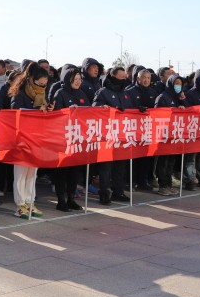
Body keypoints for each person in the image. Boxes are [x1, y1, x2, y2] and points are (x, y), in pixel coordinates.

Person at [8, 63, 49, 218]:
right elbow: (16, 113)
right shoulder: (19, 93)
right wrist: (36, 111)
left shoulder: (42, 94)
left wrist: (49, 109)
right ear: (32, 80)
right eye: (40, 83)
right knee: (20, 172)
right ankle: (20, 204)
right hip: (21, 137)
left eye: (44, 84)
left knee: (32, 172)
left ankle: (30, 201)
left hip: (36, 137)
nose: (42, 87)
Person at [91, 66, 132, 204]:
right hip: (107, 135)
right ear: (113, 77)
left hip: (122, 134)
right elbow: (95, 110)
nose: (123, 79)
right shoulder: (103, 92)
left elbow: (130, 110)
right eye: (121, 77)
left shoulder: (125, 93)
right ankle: (104, 193)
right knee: (106, 166)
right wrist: (105, 109)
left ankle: (118, 191)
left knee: (121, 164)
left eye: (125, 77)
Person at [51, 67, 89, 211]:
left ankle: (71, 199)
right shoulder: (60, 93)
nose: (78, 82)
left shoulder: (82, 94)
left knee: (75, 171)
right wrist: (68, 111)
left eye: (79, 79)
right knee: (62, 171)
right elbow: (55, 114)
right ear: (68, 80)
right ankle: (61, 200)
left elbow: (89, 112)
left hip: (77, 138)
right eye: (75, 79)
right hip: (63, 137)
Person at [153, 74, 185, 196]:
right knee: (163, 161)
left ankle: (168, 184)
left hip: (174, 135)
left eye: (180, 84)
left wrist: (182, 101)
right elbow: (158, 115)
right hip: (164, 135)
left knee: (171, 161)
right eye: (176, 83)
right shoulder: (162, 97)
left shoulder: (177, 97)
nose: (178, 86)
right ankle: (162, 185)